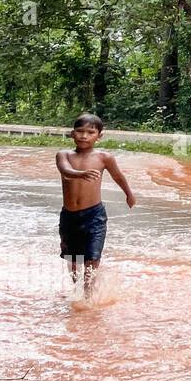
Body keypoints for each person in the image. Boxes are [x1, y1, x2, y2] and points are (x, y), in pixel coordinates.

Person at [55, 113, 136, 296]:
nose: (84, 136)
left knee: (92, 256)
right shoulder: (64, 155)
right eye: (80, 131)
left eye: (90, 132)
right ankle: (76, 289)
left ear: (99, 136)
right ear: (72, 134)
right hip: (69, 216)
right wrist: (79, 174)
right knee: (73, 258)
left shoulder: (104, 157)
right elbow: (64, 170)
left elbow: (118, 176)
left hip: (94, 215)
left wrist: (129, 194)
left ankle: (88, 292)